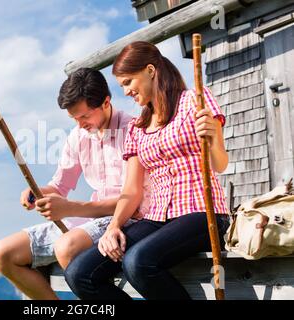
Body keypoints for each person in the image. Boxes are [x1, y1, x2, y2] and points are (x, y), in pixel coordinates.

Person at [64, 41, 230, 300]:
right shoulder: (137, 127)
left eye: (128, 82)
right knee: (79, 274)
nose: (127, 91)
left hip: (202, 211)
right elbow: (131, 190)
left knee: (137, 262)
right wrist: (114, 227)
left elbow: (220, 164)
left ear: (150, 70)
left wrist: (210, 138)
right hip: (157, 217)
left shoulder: (195, 100)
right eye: (122, 86)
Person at [0, 68, 150, 300]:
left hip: (126, 220)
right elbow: (59, 186)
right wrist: (36, 194)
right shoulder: (78, 136)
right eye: (74, 118)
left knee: (67, 247)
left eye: (84, 116)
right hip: (87, 220)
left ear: (106, 102)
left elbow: (135, 200)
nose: (80, 124)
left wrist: (70, 208)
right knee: (3, 254)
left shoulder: (134, 130)